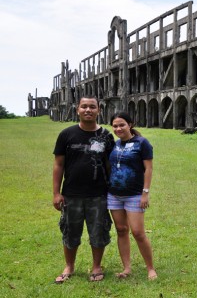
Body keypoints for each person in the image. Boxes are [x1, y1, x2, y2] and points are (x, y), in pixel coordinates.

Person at [52, 96, 115, 283]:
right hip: (72, 193)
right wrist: (56, 193)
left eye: (92, 107)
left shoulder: (106, 136)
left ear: (99, 110)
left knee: (98, 231)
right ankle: (69, 266)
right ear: (77, 109)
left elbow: (110, 165)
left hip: (98, 193)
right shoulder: (66, 134)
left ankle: (96, 267)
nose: (88, 110)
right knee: (70, 231)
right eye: (84, 106)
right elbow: (58, 165)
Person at [108, 111, 157, 280]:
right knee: (121, 230)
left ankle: (150, 268)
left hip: (134, 194)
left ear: (130, 124)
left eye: (122, 125)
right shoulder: (115, 145)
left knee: (138, 232)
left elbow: (148, 169)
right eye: (115, 126)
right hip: (114, 194)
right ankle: (126, 268)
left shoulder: (141, 143)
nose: (118, 128)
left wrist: (145, 193)